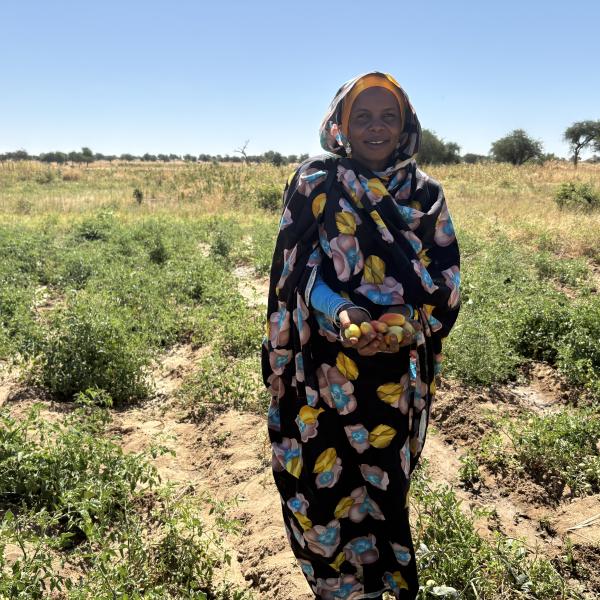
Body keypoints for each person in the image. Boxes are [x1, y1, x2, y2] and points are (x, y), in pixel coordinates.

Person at [262, 71, 460, 600]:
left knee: (382, 490)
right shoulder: (315, 182)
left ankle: (376, 586)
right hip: (322, 370)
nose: (376, 128)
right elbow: (297, 275)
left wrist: (403, 328)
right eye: (362, 117)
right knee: (321, 489)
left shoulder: (426, 196)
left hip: (392, 379)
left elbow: (443, 286)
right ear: (340, 124)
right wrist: (343, 311)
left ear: (406, 124)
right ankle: (336, 590)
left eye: (388, 116)